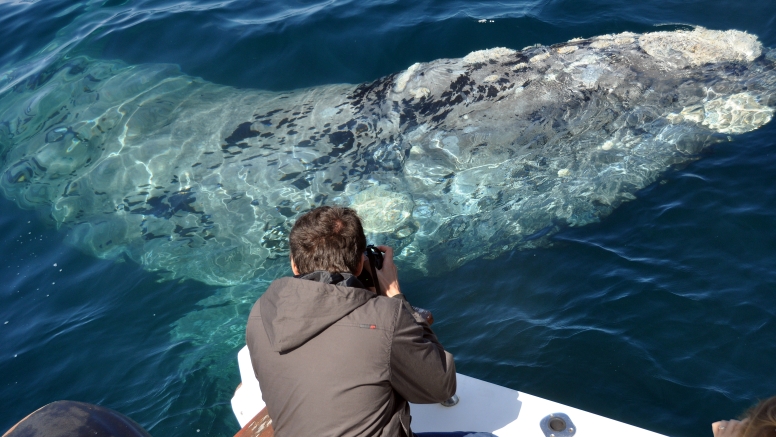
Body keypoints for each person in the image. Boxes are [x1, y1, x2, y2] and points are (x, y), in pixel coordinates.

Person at [245, 206, 458, 437]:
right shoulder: (386, 317)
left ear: (294, 264)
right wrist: (396, 298)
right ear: (359, 264)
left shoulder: (259, 314)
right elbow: (440, 386)